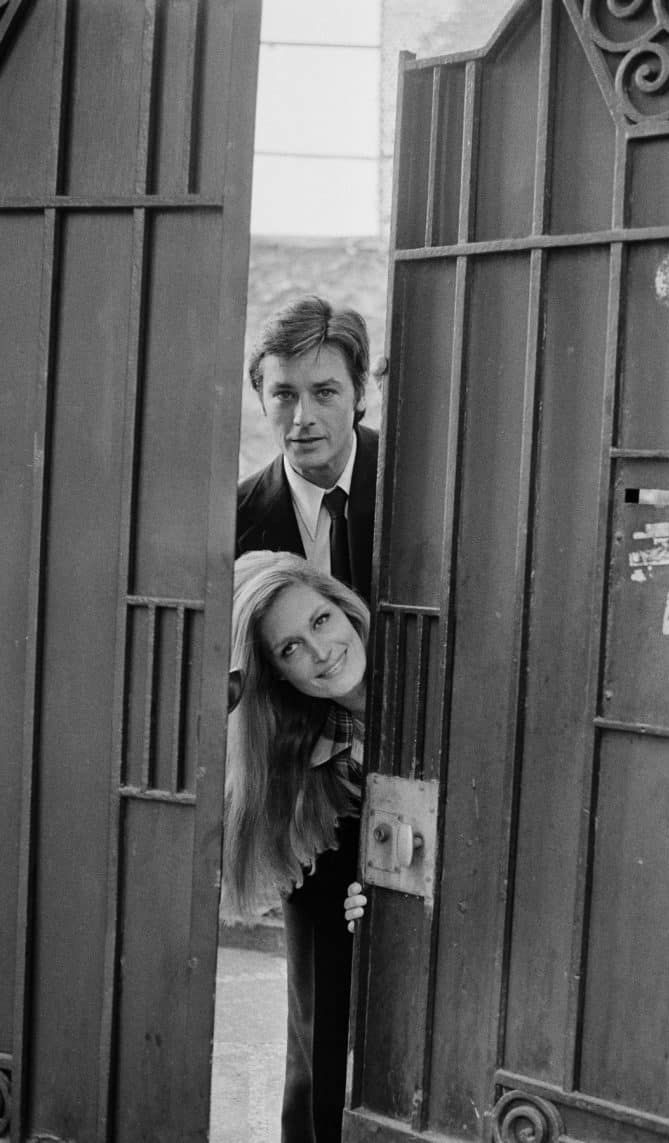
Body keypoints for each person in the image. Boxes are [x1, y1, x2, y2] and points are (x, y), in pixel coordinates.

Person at [225, 550, 370, 1143]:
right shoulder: (299, 755)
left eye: (320, 621)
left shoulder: (431, 667)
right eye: (291, 648)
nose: (320, 651)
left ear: (343, 607)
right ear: (279, 673)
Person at [236, 294, 378, 603]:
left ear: (360, 394)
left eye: (324, 392)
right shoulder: (234, 521)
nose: (303, 418)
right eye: (284, 395)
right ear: (262, 401)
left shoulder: (414, 484)